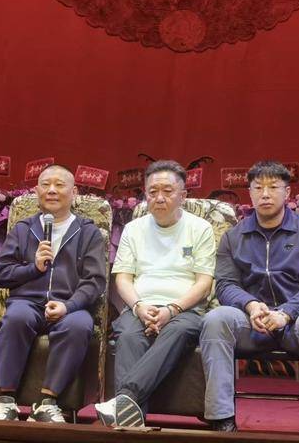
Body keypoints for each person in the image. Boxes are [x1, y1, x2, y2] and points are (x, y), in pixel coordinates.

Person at [200, 160, 299, 436]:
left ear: (287, 192)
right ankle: (221, 420)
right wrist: (250, 305)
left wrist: (286, 313)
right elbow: (225, 284)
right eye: (258, 188)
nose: (265, 194)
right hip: (251, 321)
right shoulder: (233, 237)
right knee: (215, 319)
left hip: (296, 321)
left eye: (273, 187)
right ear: (249, 193)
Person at [95, 160, 216, 428]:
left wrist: (172, 310)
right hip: (139, 307)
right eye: (152, 192)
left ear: (183, 195)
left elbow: (204, 282)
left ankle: (125, 400)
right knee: (129, 335)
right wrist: (139, 306)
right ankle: (132, 418)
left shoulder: (200, 228)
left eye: (168, 191)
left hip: (185, 310)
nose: (159, 198)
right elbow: (123, 278)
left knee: (177, 330)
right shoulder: (134, 228)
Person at [0, 165, 106, 423]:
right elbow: (1, 274)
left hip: (69, 306)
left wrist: (68, 306)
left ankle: (48, 403)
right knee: (16, 317)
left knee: (79, 325)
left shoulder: (88, 232)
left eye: (59, 185)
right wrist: (34, 267)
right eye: (45, 185)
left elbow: (95, 281)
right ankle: (6, 400)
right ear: (36, 191)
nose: (51, 190)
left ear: (74, 192)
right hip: (26, 302)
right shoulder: (23, 229)